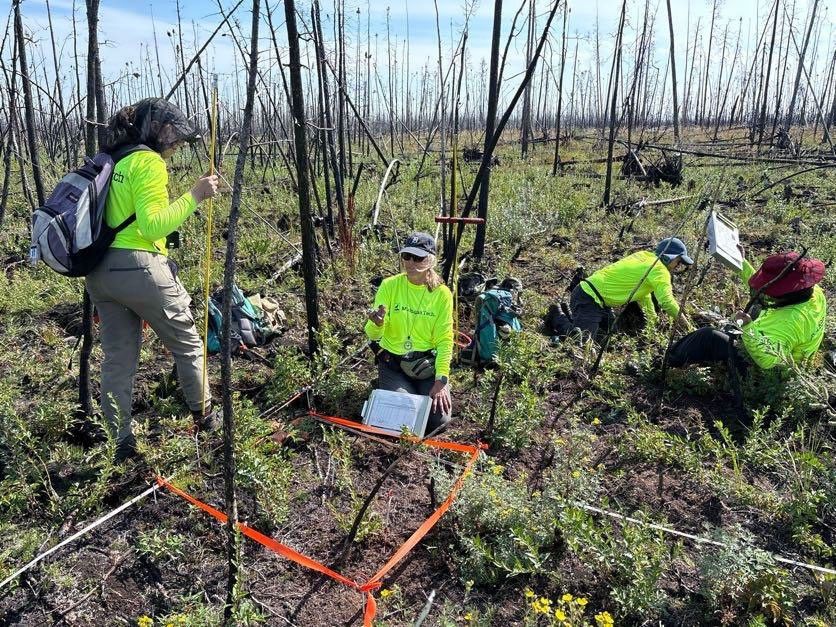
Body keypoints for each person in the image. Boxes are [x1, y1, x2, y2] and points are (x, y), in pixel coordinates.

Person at [84, 98, 220, 463]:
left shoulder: (113, 161)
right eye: (170, 134)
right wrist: (195, 194)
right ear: (153, 130)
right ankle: (206, 419)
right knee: (188, 343)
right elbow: (154, 225)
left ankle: (121, 443)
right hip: (140, 268)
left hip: (100, 274)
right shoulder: (148, 162)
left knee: (117, 360)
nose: (174, 143)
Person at [667, 248, 827, 372]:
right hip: (785, 346)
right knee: (755, 308)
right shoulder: (812, 291)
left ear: (785, 294)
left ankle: (668, 360)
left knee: (708, 336)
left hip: (770, 371)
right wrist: (741, 263)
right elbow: (765, 286)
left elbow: (768, 361)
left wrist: (748, 328)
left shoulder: (789, 321)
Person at [364, 232, 454, 433]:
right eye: (406, 256)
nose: (411, 263)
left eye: (418, 258)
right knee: (404, 420)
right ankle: (389, 387)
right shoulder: (389, 286)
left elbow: (445, 340)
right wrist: (377, 323)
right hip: (393, 363)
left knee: (439, 422)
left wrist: (441, 380)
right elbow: (372, 335)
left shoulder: (442, 295)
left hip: (425, 367)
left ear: (431, 260)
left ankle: (405, 391)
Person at [547, 237, 694, 340]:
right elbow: (666, 302)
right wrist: (688, 328)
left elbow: (643, 294)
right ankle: (556, 315)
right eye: (678, 261)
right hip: (589, 298)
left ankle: (568, 311)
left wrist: (652, 320)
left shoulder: (645, 256)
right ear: (668, 257)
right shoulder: (660, 270)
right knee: (582, 340)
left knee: (611, 335)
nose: (678, 266)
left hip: (596, 298)